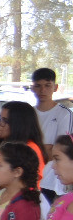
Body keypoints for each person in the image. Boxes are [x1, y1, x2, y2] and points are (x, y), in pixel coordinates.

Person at [31, 68, 73, 204]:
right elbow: (22, 147)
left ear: (55, 87)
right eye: (38, 86)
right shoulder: (29, 113)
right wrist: (46, 148)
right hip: (28, 176)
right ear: (32, 88)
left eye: (47, 85)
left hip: (51, 179)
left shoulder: (65, 114)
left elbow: (59, 150)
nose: (42, 90)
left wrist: (34, 149)